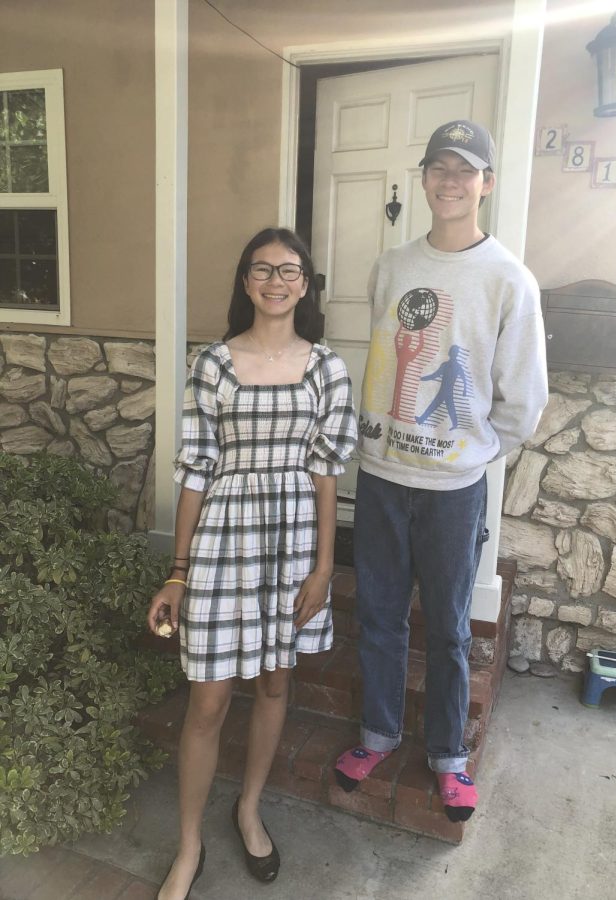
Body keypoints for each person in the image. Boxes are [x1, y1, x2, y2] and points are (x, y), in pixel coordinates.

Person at [334, 120, 548, 822]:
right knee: (379, 616)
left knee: (451, 629)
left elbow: (523, 397)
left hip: (453, 491)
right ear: (423, 178)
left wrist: (475, 454)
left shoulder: (508, 279)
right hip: (381, 477)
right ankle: (377, 732)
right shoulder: (391, 266)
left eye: (466, 170)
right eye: (439, 167)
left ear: (485, 183)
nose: (450, 181)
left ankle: (447, 754)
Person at [148, 227, 357, 898]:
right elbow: (195, 474)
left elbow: (326, 473)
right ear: (245, 282)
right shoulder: (213, 364)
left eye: (289, 270)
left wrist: (324, 567)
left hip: (292, 544)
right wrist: (178, 571)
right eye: (262, 269)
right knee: (207, 701)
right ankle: (188, 847)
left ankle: (248, 807)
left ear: (304, 284)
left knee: (273, 684)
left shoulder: (326, 367)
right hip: (221, 542)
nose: (275, 280)